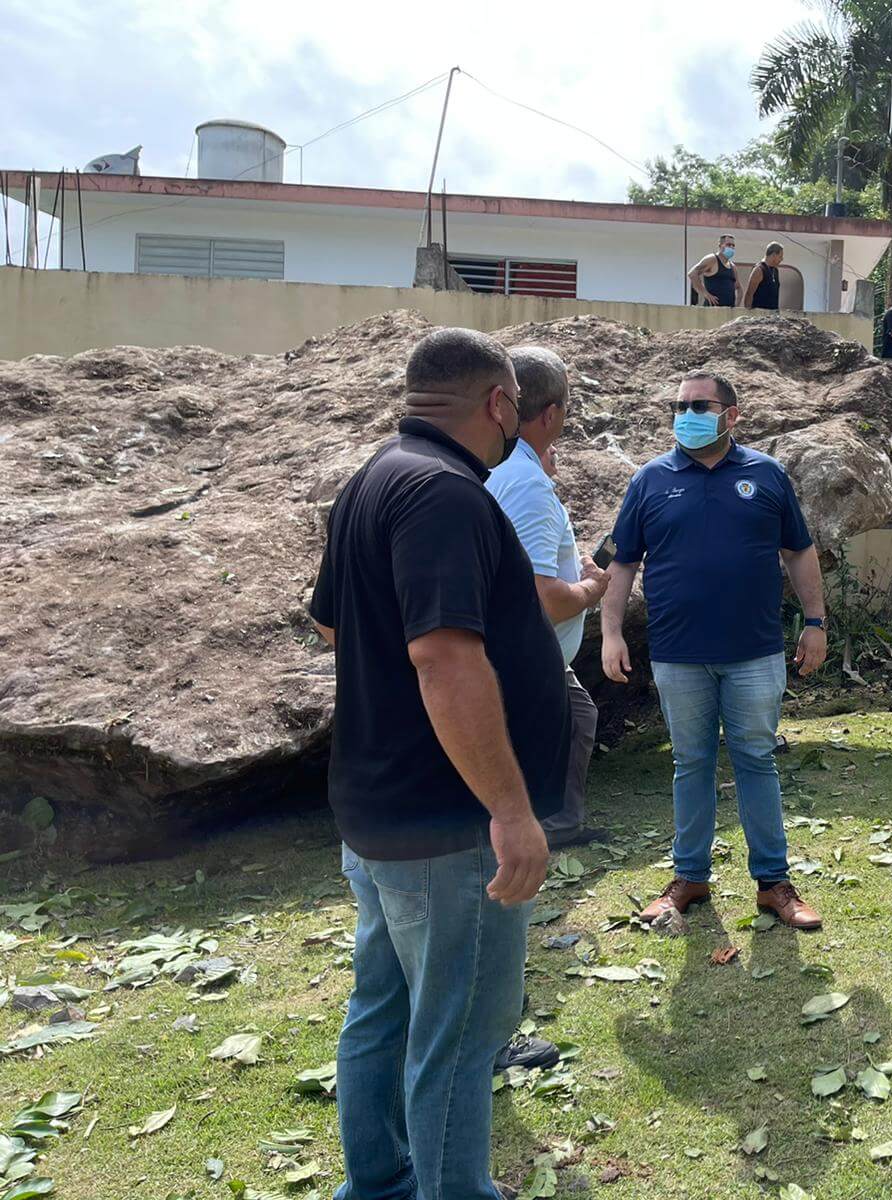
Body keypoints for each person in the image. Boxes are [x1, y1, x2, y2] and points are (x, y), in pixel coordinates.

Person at [309, 327, 569, 1200]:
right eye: (516, 410)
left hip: (379, 807)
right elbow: (445, 658)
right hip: (448, 825)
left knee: (382, 1010)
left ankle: (380, 1182)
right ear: (498, 403)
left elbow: (334, 625)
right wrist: (511, 810)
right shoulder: (446, 494)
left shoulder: (373, 479)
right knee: (459, 1034)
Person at [600, 370, 829, 929]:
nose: (686, 415)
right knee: (691, 764)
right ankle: (690, 878)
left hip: (754, 653)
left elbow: (799, 551)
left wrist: (815, 623)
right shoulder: (650, 480)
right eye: (679, 406)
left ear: (732, 414)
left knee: (756, 761)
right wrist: (610, 632)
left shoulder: (767, 474)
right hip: (678, 655)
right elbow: (621, 561)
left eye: (699, 405)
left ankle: (773, 883)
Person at [487, 346, 610, 848]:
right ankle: (536, 830)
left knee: (578, 717)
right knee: (552, 730)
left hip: (526, 652)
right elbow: (544, 599)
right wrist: (591, 588)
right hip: (523, 656)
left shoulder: (509, 468)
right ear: (551, 414)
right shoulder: (526, 484)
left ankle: (555, 824)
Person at [689, 234, 739, 308]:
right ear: (720, 246)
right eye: (728, 245)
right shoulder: (712, 259)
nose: (731, 247)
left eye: (733, 245)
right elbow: (692, 274)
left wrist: (736, 305)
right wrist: (705, 294)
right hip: (712, 309)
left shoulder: (733, 266)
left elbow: (739, 287)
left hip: (728, 310)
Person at [744, 241, 784, 311]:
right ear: (774, 255)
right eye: (780, 256)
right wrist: (748, 313)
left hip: (773, 314)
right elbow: (749, 294)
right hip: (759, 314)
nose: (781, 259)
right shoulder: (759, 269)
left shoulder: (775, 270)